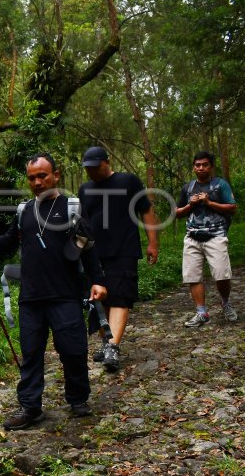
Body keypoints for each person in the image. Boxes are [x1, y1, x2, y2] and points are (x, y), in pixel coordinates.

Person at [0, 152, 107, 431]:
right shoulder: (24, 211)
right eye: (32, 178)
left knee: (73, 350)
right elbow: (8, 241)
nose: (37, 182)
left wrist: (98, 280)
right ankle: (30, 406)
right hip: (31, 296)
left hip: (65, 293)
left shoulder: (72, 207)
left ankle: (78, 399)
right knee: (31, 353)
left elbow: (88, 247)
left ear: (56, 175)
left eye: (43, 176)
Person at [79, 146, 159, 373]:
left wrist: (152, 242)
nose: (92, 172)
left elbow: (146, 210)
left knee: (121, 297)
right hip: (93, 252)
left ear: (107, 161)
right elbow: (81, 221)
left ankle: (113, 347)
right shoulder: (85, 189)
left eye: (95, 167)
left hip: (124, 249)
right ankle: (107, 343)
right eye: (88, 168)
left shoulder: (128, 181)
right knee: (98, 300)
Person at [175, 150, 238, 327]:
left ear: (211, 167)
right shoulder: (188, 187)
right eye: (197, 165)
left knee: (222, 274)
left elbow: (232, 207)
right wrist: (191, 204)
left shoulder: (220, 185)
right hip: (192, 237)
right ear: (193, 167)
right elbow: (177, 213)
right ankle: (201, 312)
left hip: (216, 235)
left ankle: (225, 303)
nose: (201, 168)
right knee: (193, 276)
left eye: (205, 165)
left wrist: (209, 203)